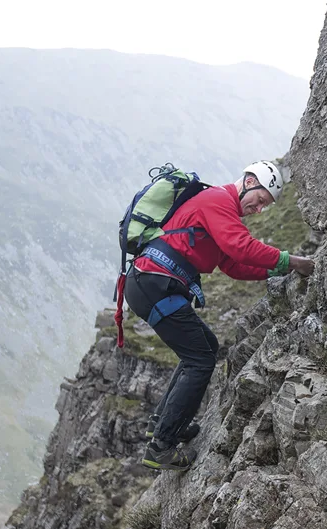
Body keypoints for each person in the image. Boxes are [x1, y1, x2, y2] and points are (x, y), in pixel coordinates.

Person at [124, 160, 315, 470]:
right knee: (200, 359)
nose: (259, 210)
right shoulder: (218, 201)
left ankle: (163, 423)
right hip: (154, 284)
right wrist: (290, 261)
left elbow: (234, 266)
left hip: (152, 283)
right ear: (250, 181)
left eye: (264, 207)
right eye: (261, 200)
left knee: (203, 349)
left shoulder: (220, 209)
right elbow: (241, 248)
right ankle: (161, 446)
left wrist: (273, 275)